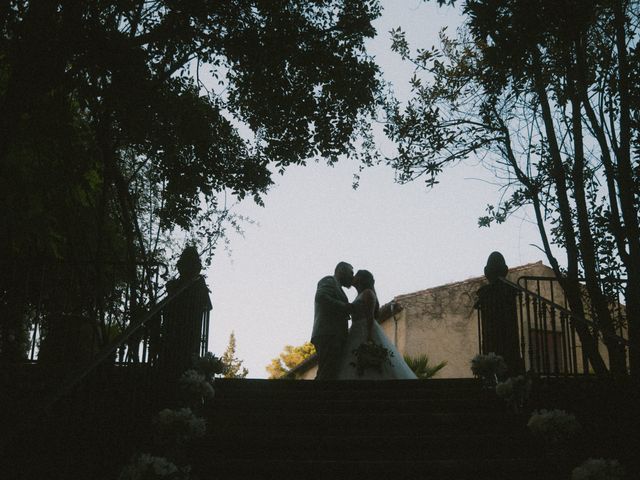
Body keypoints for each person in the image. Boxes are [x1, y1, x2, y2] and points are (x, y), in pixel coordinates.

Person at [335, 269, 417, 380]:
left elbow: (370, 316)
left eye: (355, 276)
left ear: (360, 279)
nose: (353, 278)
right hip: (356, 329)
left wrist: (369, 336)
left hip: (364, 329)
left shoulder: (368, 293)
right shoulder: (360, 295)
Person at [311, 262, 355, 380]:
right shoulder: (329, 280)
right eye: (351, 273)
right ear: (341, 270)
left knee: (329, 371)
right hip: (328, 333)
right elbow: (321, 297)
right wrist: (345, 307)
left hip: (334, 334)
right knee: (327, 372)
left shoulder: (339, 288)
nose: (352, 277)